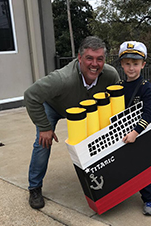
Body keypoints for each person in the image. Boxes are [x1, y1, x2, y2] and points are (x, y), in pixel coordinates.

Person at [24, 36, 120, 209]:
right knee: (42, 144)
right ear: (80, 58)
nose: (95, 64)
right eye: (89, 58)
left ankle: (105, 179)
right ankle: (34, 188)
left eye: (99, 59)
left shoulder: (111, 75)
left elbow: (117, 99)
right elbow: (31, 96)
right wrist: (45, 127)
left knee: (101, 138)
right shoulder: (62, 78)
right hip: (54, 107)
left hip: (84, 111)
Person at [118, 40, 151, 215]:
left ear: (143, 65)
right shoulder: (118, 86)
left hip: (139, 133)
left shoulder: (145, 87)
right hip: (122, 133)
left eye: (135, 63)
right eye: (127, 64)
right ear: (122, 64)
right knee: (123, 165)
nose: (131, 68)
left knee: (142, 169)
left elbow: (148, 113)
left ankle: (149, 199)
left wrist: (135, 132)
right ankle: (121, 195)